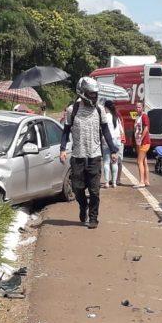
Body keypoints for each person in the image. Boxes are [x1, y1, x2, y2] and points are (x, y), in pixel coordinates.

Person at [60, 77, 119, 229]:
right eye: (91, 94)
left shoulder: (99, 110)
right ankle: (82, 206)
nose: (94, 97)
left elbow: (105, 130)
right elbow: (66, 132)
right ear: (82, 93)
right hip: (78, 156)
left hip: (94, 156)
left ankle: (93, 218)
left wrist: (113, 150)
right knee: (77, 188)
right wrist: (62, 149)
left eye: (95, 94)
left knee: (94, 191)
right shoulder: (72, 110)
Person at [101, 100, 124, 188]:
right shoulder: (116, 117)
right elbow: (121, 131)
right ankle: (114, 183)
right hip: (117, 140)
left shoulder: (105, 117)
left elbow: (103, 130)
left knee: (106, 162)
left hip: (107, 141)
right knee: (114, 162)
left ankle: (106, 182)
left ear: (106, 107)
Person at [133, 102, 150, 188]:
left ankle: (142, 181)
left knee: (139, 161)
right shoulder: (137, 117)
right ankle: (146, 180)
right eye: (136, 107)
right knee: (144, 161)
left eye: (139, 107)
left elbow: (146, 128)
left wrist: (141, 138)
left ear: (142, 108)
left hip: (144, 142)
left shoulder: (144, 116)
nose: (138, 108)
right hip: (138, 142)